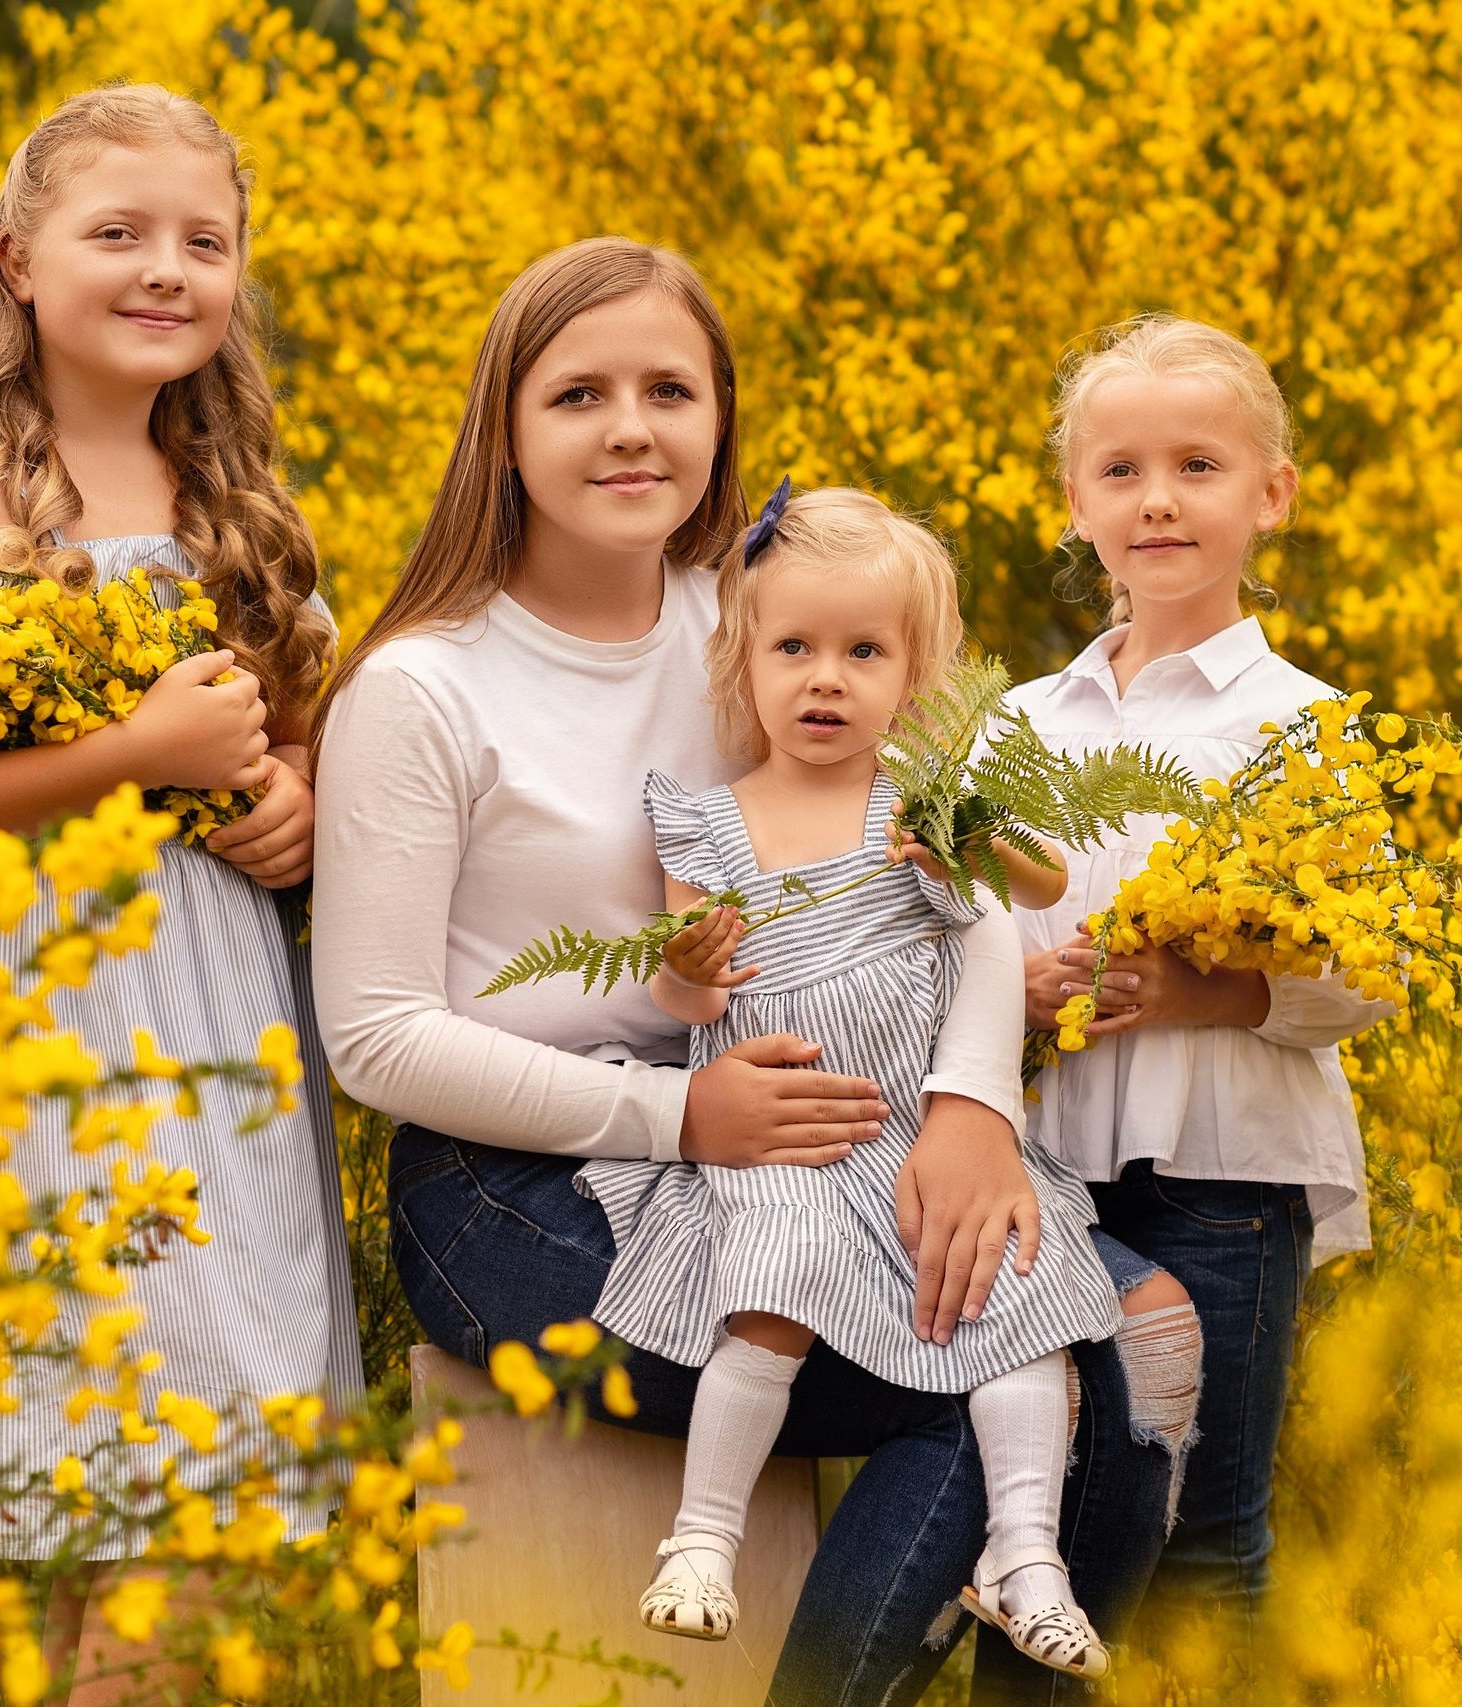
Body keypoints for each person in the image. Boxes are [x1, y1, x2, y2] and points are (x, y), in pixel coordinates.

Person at [310, 236, 1172, 1706]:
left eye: (670, 387)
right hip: (516, 1180)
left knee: (1136, 1338)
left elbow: (942, 862)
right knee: (977, 1382)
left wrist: (968, 1105)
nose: (631, 425)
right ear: (504, 432)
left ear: (720, 423)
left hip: (797, 1136)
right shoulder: (425, 685)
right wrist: (681, 1122)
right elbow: (377, 1041)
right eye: (579, 392)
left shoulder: (765, 621)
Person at [0, 84, 357, 1697]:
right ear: (16, 257)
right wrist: (133, 752)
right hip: (30, 1042)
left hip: (215, 1042)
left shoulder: (247, 510)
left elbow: (286, 751)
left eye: (205, 242)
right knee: (71, 1483)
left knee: (198, 1484)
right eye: (118, 232)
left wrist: (294, 806)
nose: (166, 270)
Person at [579, 485, 1121, 1678]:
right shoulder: (709, 823)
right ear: (743, 662)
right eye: (794, 649)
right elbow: (692, 1009)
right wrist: (685, 969)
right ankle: (701, 1540)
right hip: (779, 1141)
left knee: (1018, 1305)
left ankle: (1024, 1557)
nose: (825, 679)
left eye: (863, 652)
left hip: (910, 1138)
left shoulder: (920, 810)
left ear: (915, 679)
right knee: (771, 1287)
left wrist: (965, 835)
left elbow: (1039, 884)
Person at [1011, 315, 1398, 1609]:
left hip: (1231, 1167)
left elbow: (1370, 968)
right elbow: (960, 940)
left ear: (1271, 494)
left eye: (1198, 466)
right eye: (1119, 470)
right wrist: (1019, 990)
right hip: (1052, 1166)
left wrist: (1201, 989)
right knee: (1049, 1525)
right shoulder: (1020, 724)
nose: (1157, 500)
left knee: (1205, 1537)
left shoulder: (1304, 724)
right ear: (1075, 503)